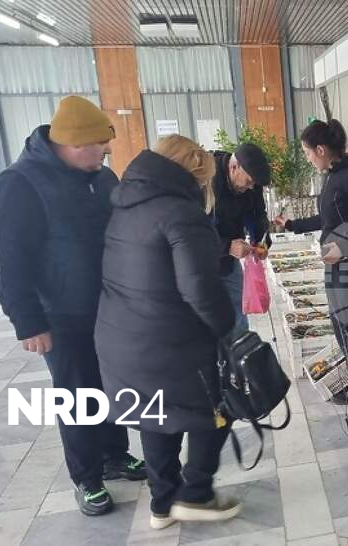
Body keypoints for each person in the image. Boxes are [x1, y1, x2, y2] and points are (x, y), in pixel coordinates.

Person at [0, 96, 146, 517]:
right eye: (100, 146)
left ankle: (114, 455)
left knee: (109, 385)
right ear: (74, 144)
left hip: (108, 308)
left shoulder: (102, 178)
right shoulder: (20, 183)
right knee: (77, 395)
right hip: (60, 313)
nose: (106, 153)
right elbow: (6, 258)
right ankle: (87, 478)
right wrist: (27, 321)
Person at [95, 135, 239, 529]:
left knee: (155, 415)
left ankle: (162, 504)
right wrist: (230, 332)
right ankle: (195, 493)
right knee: (219, 406)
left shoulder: (125, 202)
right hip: (169, 340)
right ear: (193, 174)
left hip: (122, 337)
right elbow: (200, 289)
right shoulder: (181, 213)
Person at [275, 120, 348, 400]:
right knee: (342, 329)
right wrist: (293, 225)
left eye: (308, 153)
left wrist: (342, 246)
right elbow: (329, 218)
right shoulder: (333, 175)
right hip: (338, 264)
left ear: (321, 149)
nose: (308, 159)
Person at [211, 144, 272, 335]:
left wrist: (262, 243)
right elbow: (192, 234)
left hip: (229, 262)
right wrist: (227, 246)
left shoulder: (252, 183)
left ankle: (240, 349)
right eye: (249, 181)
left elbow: (258, 215)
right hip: (200, 263)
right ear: (233, 167)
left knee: (239, 316)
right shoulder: (207, 180)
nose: (251, 187)